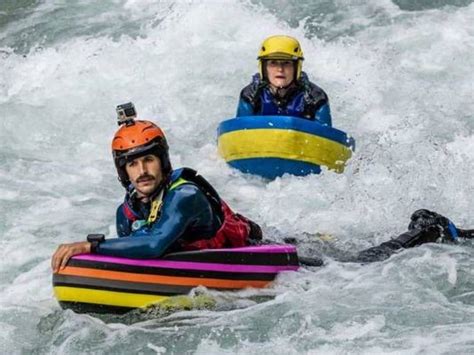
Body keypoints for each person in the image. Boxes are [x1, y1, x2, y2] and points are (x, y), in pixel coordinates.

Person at [51, 104, 472, 272]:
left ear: (163, 161)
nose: (142, 171)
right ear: (122, 172)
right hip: (244, 244)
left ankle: (426, 229)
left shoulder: (184, 196)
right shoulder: (128, 211)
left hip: (266, 251)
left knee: (360, 263)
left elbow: (153, 246)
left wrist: (90, 246)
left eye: (149, 160)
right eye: (133, 164)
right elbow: (139, 254)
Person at [236, 35, 332, 126]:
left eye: (286, 63)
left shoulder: (316, 99)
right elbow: (239, 132)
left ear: (296, 68)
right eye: (273, 63)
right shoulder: (250, 96)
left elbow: (327, 137)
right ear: (264, 68)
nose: (280, 69)